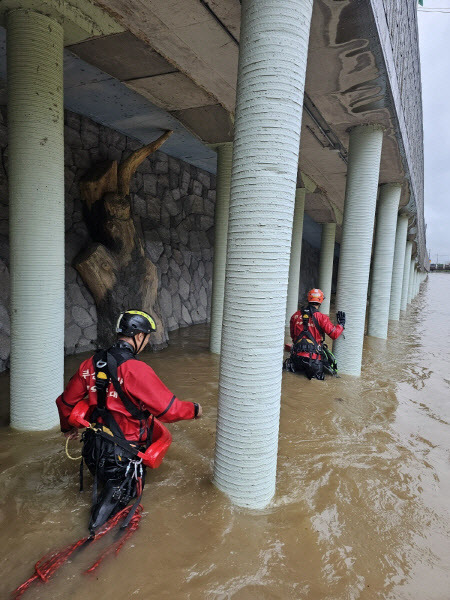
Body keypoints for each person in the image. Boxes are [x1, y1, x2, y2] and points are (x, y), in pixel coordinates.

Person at [56, 309, 202, 533]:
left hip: (93, 452)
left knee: (106, 490)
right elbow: (169, 411)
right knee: (114, 519)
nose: (146, 342)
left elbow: (65, 403)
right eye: (147, 337)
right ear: (139, 336)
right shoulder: (136, 369)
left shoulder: (89, 364)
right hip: (124, 458)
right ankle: (92, 535)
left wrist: (68, 428)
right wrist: (194, 409)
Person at [284, 288, 345, 380]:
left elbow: (293, 337)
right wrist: (341, 324)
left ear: (308, 299)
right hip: (313, 361)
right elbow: (334, 334)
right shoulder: (321, 317)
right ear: (320, 302)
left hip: (296, 359)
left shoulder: (295, 316)